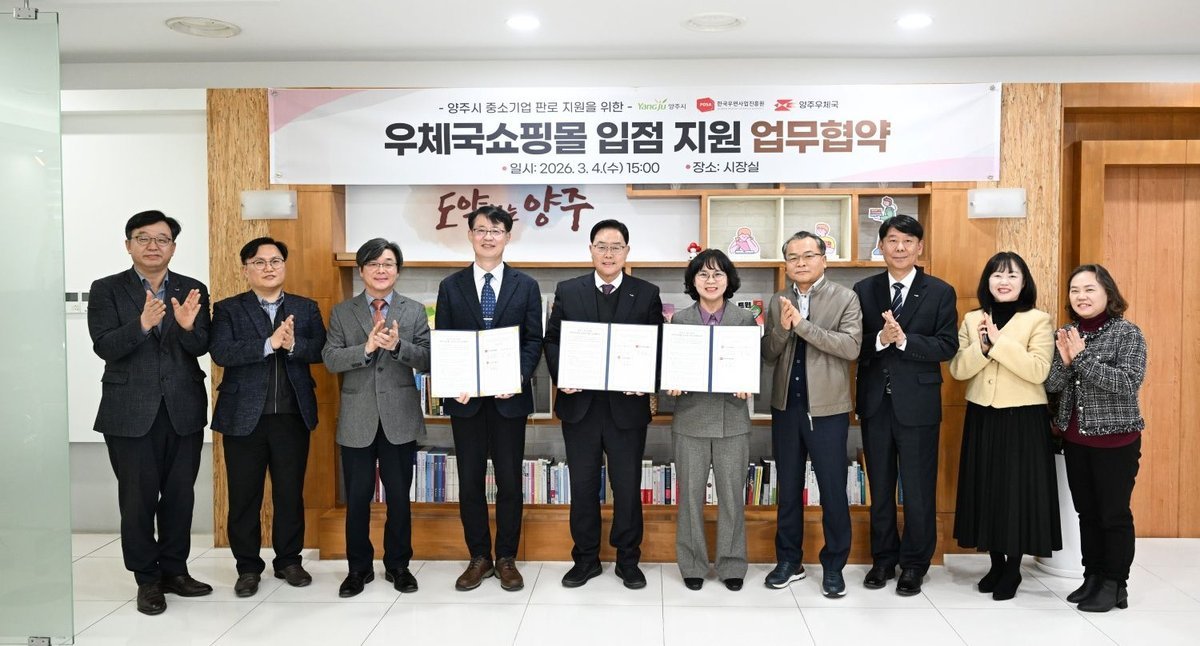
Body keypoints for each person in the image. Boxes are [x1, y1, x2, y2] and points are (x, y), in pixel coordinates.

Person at [88, 209, 211, 615]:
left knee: (179, 496)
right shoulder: (106, 289)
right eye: (143, 238)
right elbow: (104, 345)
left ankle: (175, 571)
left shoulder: (193, 288)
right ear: (129, 245)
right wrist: (141, 325)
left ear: (173, 247)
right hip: (129, 410)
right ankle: (147, 579)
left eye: (162, 239)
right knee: (137, 499)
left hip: (182, 408)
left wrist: (188, 328)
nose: (153, 245)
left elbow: (202, 347)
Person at [544, 219, 664, 589]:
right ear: (591, 250)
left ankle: (628, 560)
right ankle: (585, 559)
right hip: (580, 406)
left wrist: (645, 380)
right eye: (601, 246)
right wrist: (563, 376)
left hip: (627, 409)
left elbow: (658, 344)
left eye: (616, 247)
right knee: (582, 487)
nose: (608, 253)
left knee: (627, 487)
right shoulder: (569, 290)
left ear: (627, 251)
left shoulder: (646, 293)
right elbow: (553, 341)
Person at [209, 237, 327, 598]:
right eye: (259, 262)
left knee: (289, 493)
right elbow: (221, 352)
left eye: (275, 261)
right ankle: (247, 567)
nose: (269, 268)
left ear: (284, 266)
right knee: (244, 496)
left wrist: (293, 345)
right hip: (243, 417)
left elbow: (320, 349)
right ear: (246, 269)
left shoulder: (305, 307)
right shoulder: (228, 309)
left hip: (291, 416)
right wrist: (269, 343)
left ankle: (289, 560)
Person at [434, 205, 543, 592]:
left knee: (510, 481)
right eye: (480, 230)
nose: (488, 237)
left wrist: (517, 376)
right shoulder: (451, 286)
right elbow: (445, 341)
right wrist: (454, 380)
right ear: (470, 235)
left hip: (508, 400)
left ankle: (506, 558)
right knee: (470, 482)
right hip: (466, 402)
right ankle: (479, 557)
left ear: (507, 237)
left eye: (496, 230)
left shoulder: (526, 285)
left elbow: (533, 340)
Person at [852, 214, 958, 596]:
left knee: (918, 489)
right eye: (893, 240)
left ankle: (914, 564)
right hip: (875, 404)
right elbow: (853, 344)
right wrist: (880, 339)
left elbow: (947, 345)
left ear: (919, 247)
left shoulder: (940, 291)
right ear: (880, 246)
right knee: (880, 487)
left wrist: (904, 341)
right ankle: (883, 559)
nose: (900, 248)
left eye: (908, 241)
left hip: (918, 405)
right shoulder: (864, 290)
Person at [948, 252, 1061, 601]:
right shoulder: (972, 319)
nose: (1004, 281)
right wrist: (982, 349)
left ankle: (1013, 569)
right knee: (987, 489)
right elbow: (958, 369)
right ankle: (995, 564)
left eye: (1012, 276)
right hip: (983, 414)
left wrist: (998, 343)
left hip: (1023, 418)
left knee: (1016, 493)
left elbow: (1038, 371)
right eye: (997, 275)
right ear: (988, 281)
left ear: (1024, 283)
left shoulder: (1038, 320)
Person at [322, 238, 430, 597]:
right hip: (358, 417)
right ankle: (358, 569)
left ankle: (398, 565)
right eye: (373, 264)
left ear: (397, 270)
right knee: (357, 498)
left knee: (399, 497)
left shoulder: (414, 310)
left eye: (388, 264)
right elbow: (330, 359)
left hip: (400, 416)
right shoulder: (342, 312)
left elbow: (428, 359)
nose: (381, 270)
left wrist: (398, 346)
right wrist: (366, 348)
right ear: (361, 270)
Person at [761, 232, 862, 597]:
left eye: (808, 255)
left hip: (828, 409)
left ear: (824, 259)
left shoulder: (845, 298)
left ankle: (834, 566)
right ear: (786, 264)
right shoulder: (779, 300)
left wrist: (802, 326)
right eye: (793, 257)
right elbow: (768, 353)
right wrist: (783, 330)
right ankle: (790, 561)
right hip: (786, 407)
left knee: (833, 490)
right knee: (788, 489)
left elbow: (850, 347)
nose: (800, 262)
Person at [1045, 264, 1146, 613]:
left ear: (1107, 293)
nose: (1081, 296)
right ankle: (1093, 576)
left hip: (1116, 442)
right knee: (1086, 514)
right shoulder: (1066, 332)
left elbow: (1127, 383)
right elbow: (1052, 385)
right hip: (1076, 440)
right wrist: (1063, 361)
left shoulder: (1127, 333)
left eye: (1089, 289)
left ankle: (1116, 584)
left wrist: (1082, 358)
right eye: (1075, 290)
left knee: (1113, 515)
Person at [666, 249, 757, 592]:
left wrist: (748, 383)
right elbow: (670, 365)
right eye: (703, 274)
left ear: (728, 280)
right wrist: (671, 383)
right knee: (690, 498)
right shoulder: (680, 321)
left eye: (718, 274)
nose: (710, 280)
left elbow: (754, 363)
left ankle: (732, 564)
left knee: (732, 496)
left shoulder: (745, 319)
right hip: (690, 418)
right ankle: (692, 564)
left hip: (732, 419)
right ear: (692, 281)